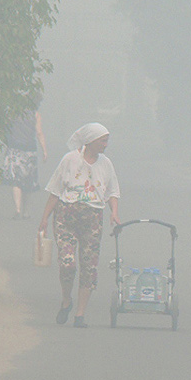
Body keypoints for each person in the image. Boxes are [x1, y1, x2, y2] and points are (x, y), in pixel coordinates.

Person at [38, 123, 121, 328]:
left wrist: (114, 213)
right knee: (68, 263)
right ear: (90, 141)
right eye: (102, 140)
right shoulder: (70, 160)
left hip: (93, 218)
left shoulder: (106, 164)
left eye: (106, 140)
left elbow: (112, 191)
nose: (105, 144)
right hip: (66, 216)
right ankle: (67, 300)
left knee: (89, 267)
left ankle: (80, 314)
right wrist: (44, 218)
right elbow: (55, 191)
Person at [2, 104, 47, 218]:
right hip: (29, 150)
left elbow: (5, 129)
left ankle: (17, 208)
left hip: (14, 149)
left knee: (16, 180)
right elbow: (39, 132)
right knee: (28, 181)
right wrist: (44, 150)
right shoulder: (35, 114)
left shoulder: (12, 114)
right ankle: (26, 212)